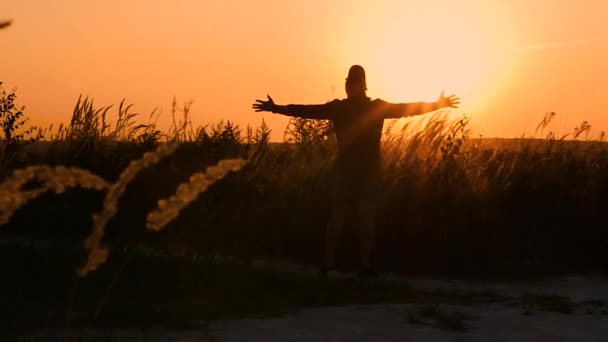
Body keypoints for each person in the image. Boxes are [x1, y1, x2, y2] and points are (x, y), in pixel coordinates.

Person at [252, 65, 459, 277]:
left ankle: (364, 266)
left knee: (365, 218)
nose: (350, 86)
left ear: (363, 84)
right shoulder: (339, 107)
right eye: (348, 82)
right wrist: (275, 108)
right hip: (347, 170)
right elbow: (306, 111)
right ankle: (329, 263)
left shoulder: (375, 107)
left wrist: (436, 105)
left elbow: (407, 109)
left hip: (367, 170)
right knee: (338, 218)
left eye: (354, 82)